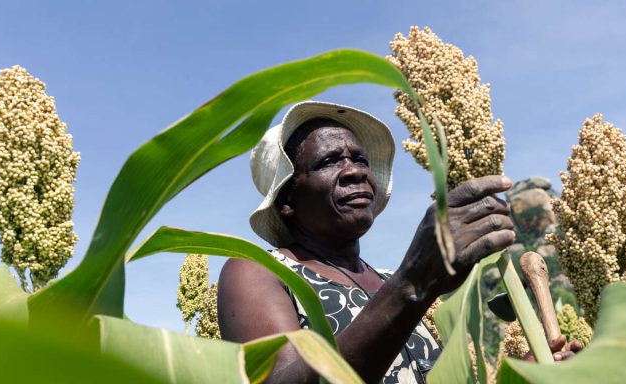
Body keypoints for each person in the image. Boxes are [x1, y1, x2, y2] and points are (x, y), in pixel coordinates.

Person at [217, 101, 579, 383]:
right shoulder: (259, 271)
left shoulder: (389, 280)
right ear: (287, 200)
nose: (356, 170)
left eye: (359, 159)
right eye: (329, 161)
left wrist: (527, 376)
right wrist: (414, 282)